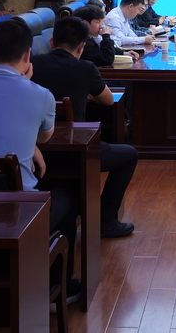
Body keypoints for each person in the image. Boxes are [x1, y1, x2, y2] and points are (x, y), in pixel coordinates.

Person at [0, 17, 81, 297]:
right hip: (18, 210)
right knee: (68, 198)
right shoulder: (40, 95)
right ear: (27, 55)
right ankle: (57, 285)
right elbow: (43, 137)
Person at [30, 17, 139, 238]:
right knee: (129, 155)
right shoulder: (86, 67)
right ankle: (105, 220)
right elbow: (107, 100)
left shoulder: (32, 64)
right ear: (82, 47)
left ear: (51, 42)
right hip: (74, 151)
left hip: (34, 149)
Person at [74, 4, 138, 67]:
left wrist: (122, 53)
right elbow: (107, 59)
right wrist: (106, 36)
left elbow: (100, 50)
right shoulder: (82, 41)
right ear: (85, 23)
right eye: (97, 22)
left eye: (102, 22)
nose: (101, 26)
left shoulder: (88, 37)